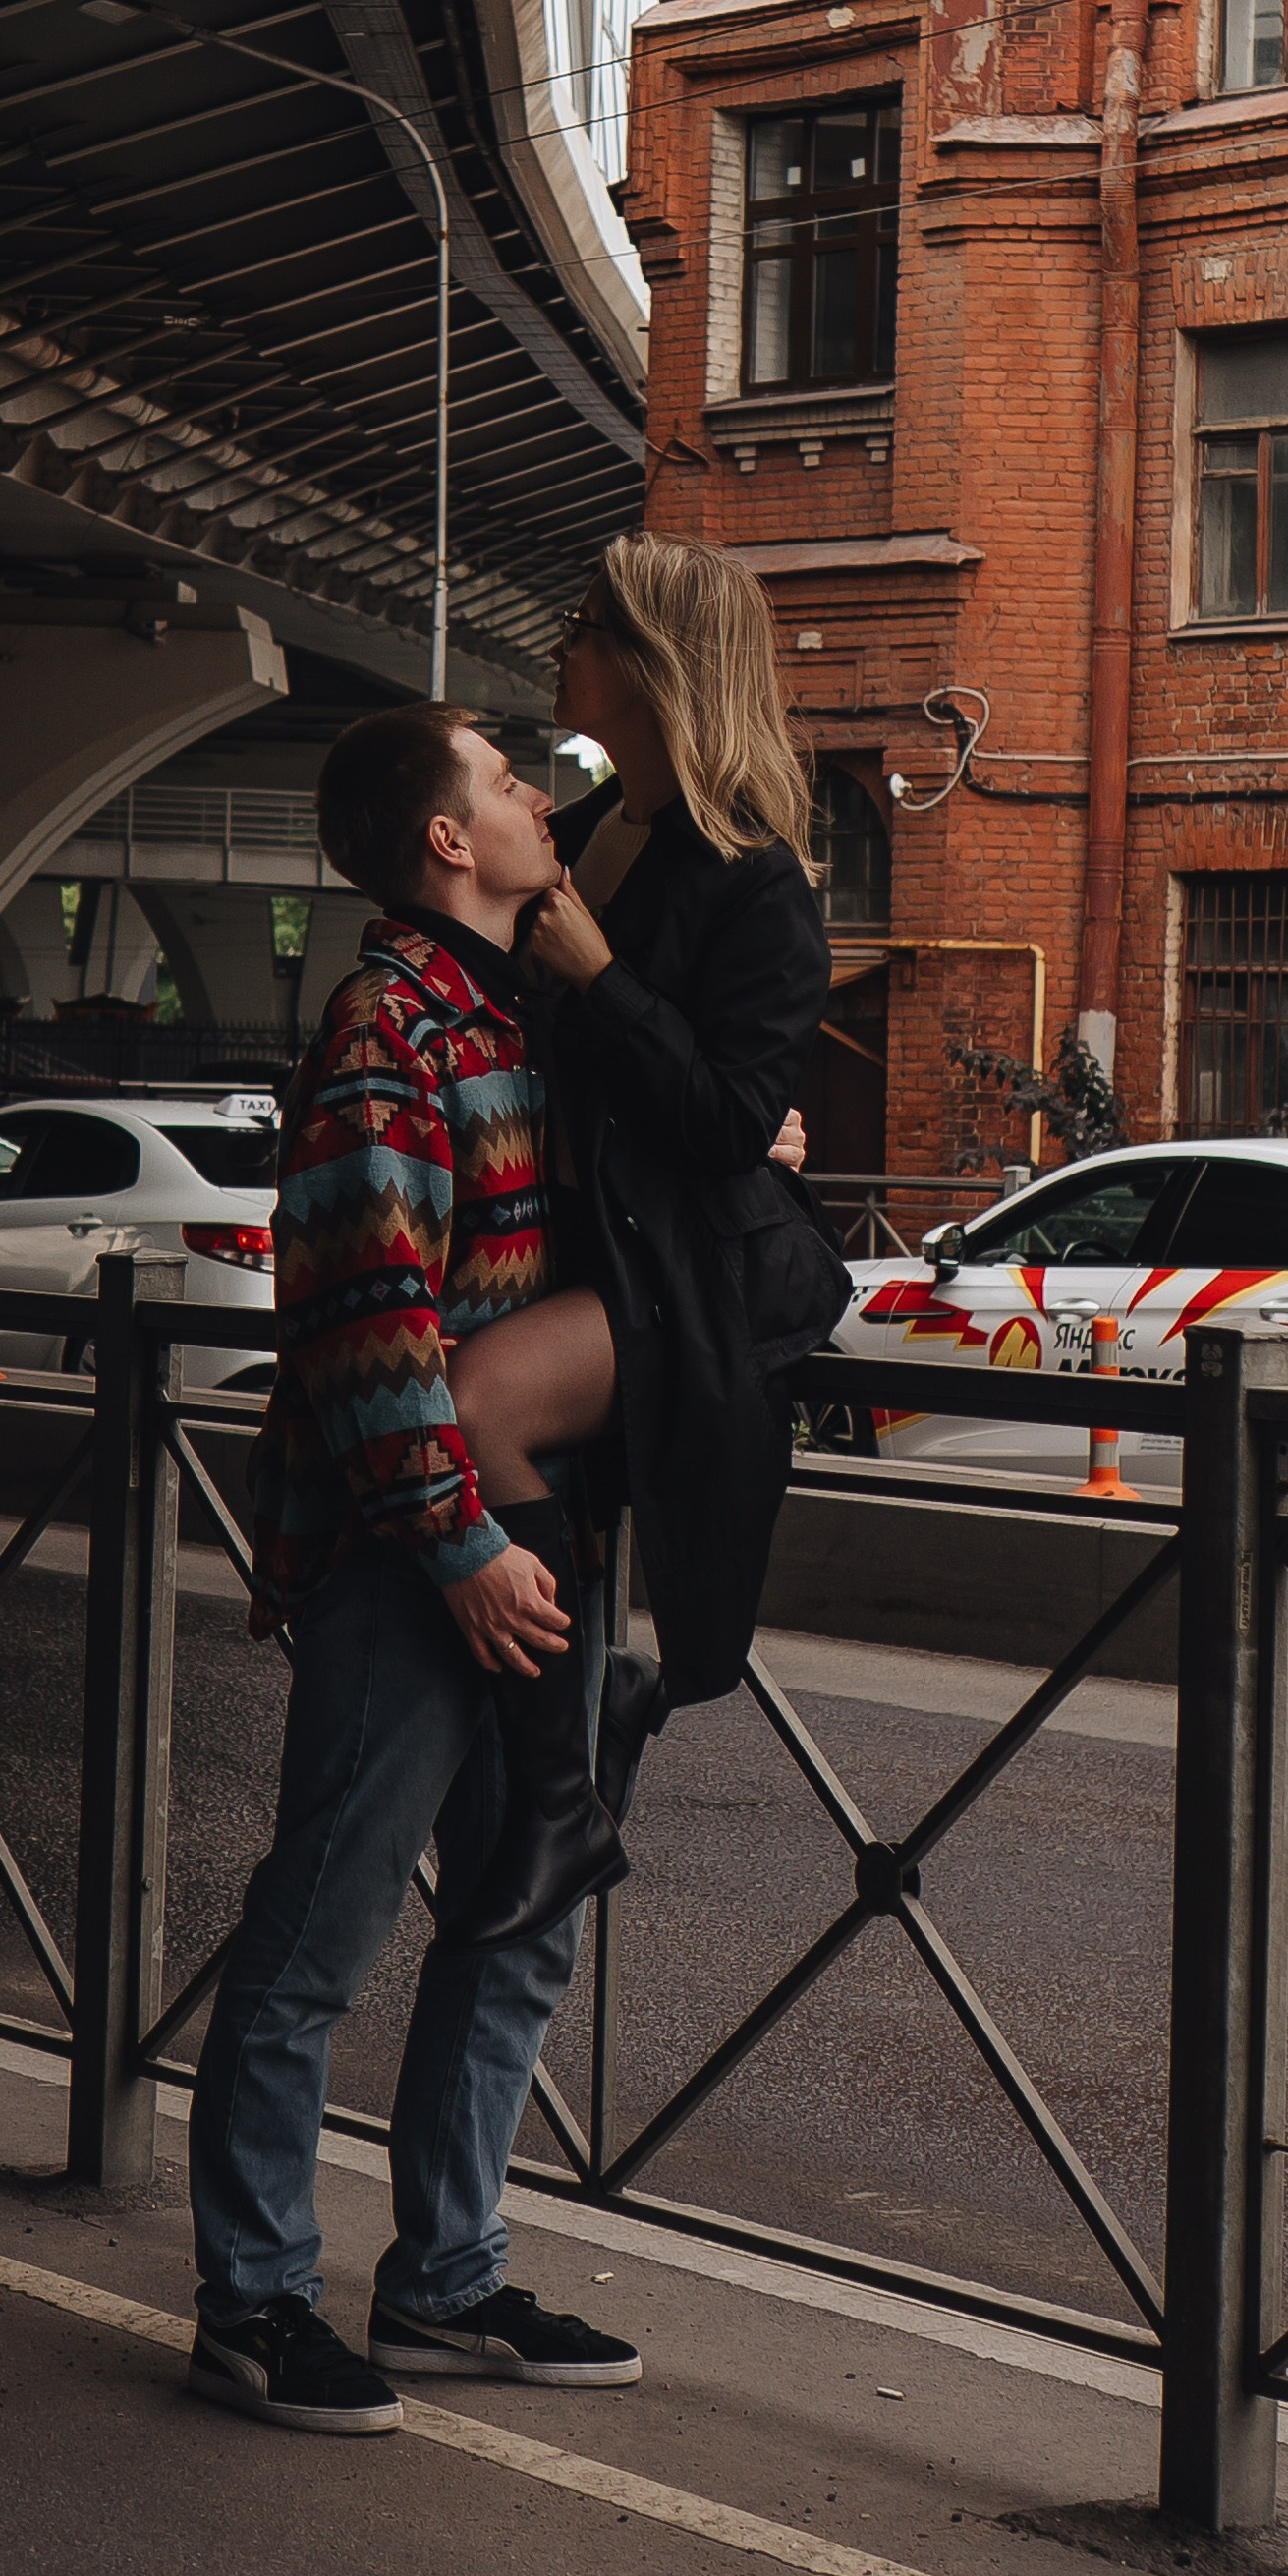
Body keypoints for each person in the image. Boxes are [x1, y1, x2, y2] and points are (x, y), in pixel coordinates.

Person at [184, 702, 642, 2435]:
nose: (539, 800)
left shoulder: (504, 1008)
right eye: (511, 784)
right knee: (322, 1927)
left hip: (524, 1532)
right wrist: (457, 1546)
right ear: (447, 840)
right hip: (417, 1550)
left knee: (516, 1921)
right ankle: (255, 2298)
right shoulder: (390, 1025)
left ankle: (446, 2281)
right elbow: (366, 1320)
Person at [439, 531, 852, 1953]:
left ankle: (562, 1790)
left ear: (652, 663)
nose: (560, 648)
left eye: (585, 626)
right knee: (467, 1400)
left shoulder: (758, 876)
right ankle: (579, 1730)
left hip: (695, 1274)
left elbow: (738, 1119)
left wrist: (601, 978)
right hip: (589, 1246)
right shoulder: (599, 819)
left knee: (476, 1401)